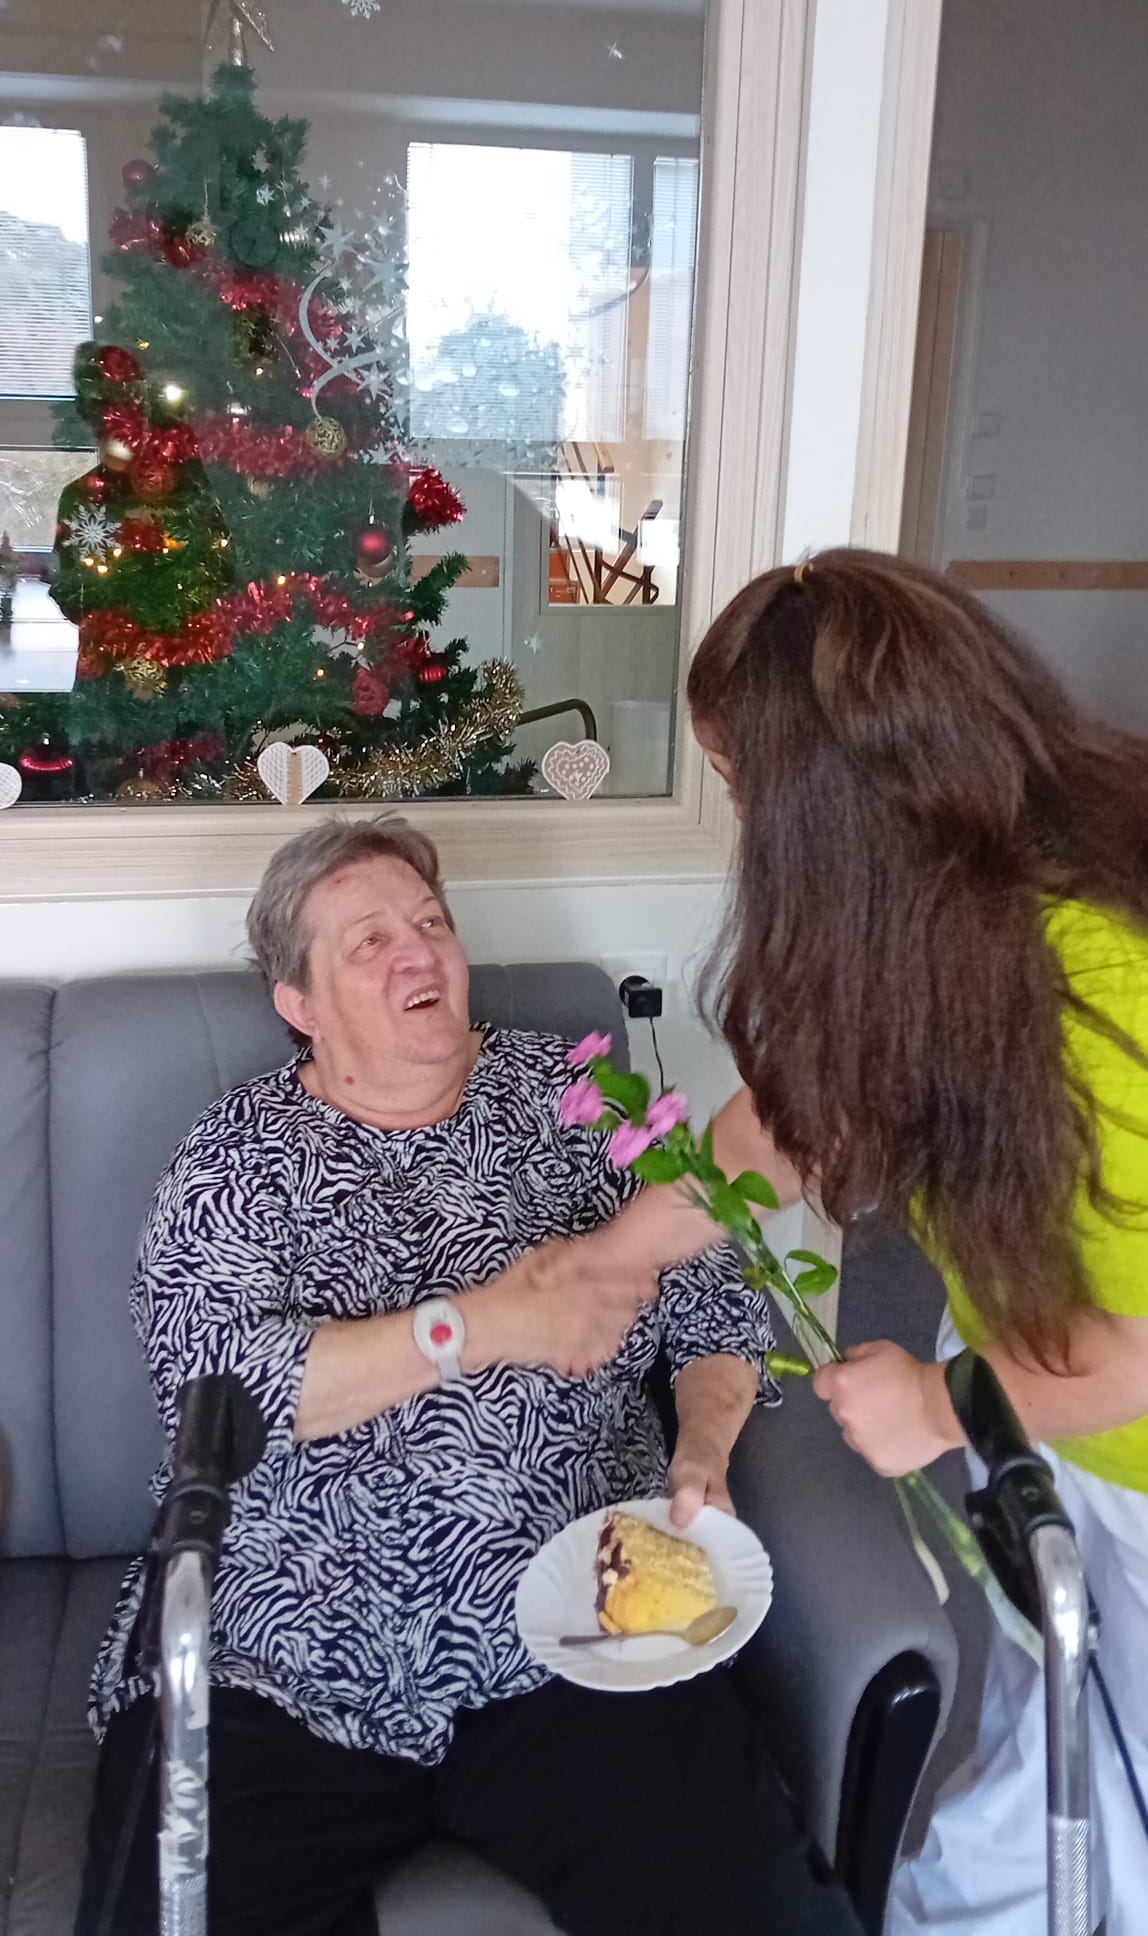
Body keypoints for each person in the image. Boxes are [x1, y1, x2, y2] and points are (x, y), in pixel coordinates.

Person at [76, 814, 856, 1936]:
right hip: (282, 1652)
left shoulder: (580, 1098)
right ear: (298, 1004)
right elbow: (217, 1394)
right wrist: (477, 1324)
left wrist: (703, 1450)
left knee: (758, 1913)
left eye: (432, 923)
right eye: (369, 942)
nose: (420, 952)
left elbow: (714, 1300)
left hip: (578, 1619)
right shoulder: (236, 1156)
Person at [686, 548, 1148, 1936]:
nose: (745, 831)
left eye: (744, 789)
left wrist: (944, 1404)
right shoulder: (941, 929)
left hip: (1111, 1426)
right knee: (1037, 1751)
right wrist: (618, 1249)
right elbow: (788, 1120)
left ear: (828, 811)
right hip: (1045, 1409)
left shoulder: (1099, 983)